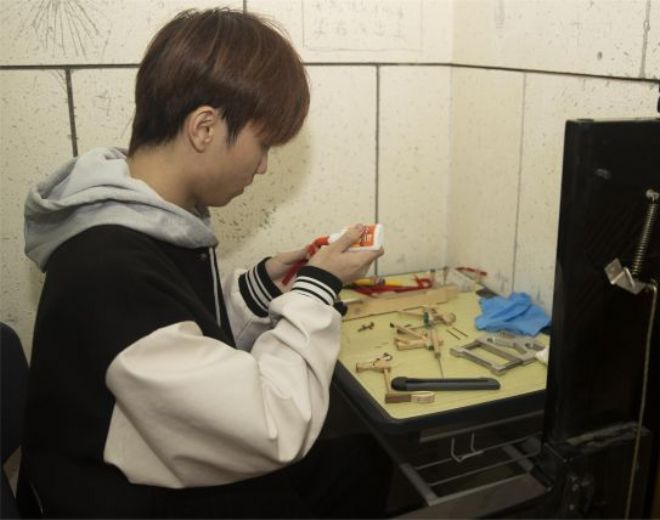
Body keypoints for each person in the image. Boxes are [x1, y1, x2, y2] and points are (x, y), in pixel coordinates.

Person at [21, 8, 390, 518]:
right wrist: (318, 289)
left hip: (157, 460)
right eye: (263, 145)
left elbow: (183, 343)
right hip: (126, 501)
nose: (263, 166)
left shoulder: (147, 219)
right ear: (205, 128)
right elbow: (275, 425)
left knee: (361, 460)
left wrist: (261, 289)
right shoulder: (107, 274)